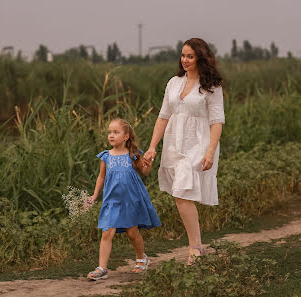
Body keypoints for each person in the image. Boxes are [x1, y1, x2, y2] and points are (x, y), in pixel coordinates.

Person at [143, 38, 225, 265]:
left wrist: (210, 152)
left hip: (198, 144)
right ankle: (198, 246)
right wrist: (152, 147)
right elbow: (163, 116)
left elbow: (217, 121)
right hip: (173, 143)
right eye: (182, 55)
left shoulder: (212, 86)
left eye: (190, 56)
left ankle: (194, 249)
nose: (185, 60)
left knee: (181, 192)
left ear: (200, 57)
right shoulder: (174, 82)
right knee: (181, 196)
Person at [85, 118, 161, 280]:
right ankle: (102, 268)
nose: (111, 135)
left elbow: (145, 172)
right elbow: (101, 177)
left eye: (116, 132)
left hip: (130, 200)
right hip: (111, 201)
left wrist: (149, 161)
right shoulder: (106, 156)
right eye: (109, 132)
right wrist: (95, 195)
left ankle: (141, 258)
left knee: (132, 233)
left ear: (126, 136)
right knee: (107, 233)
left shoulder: (133, 155)